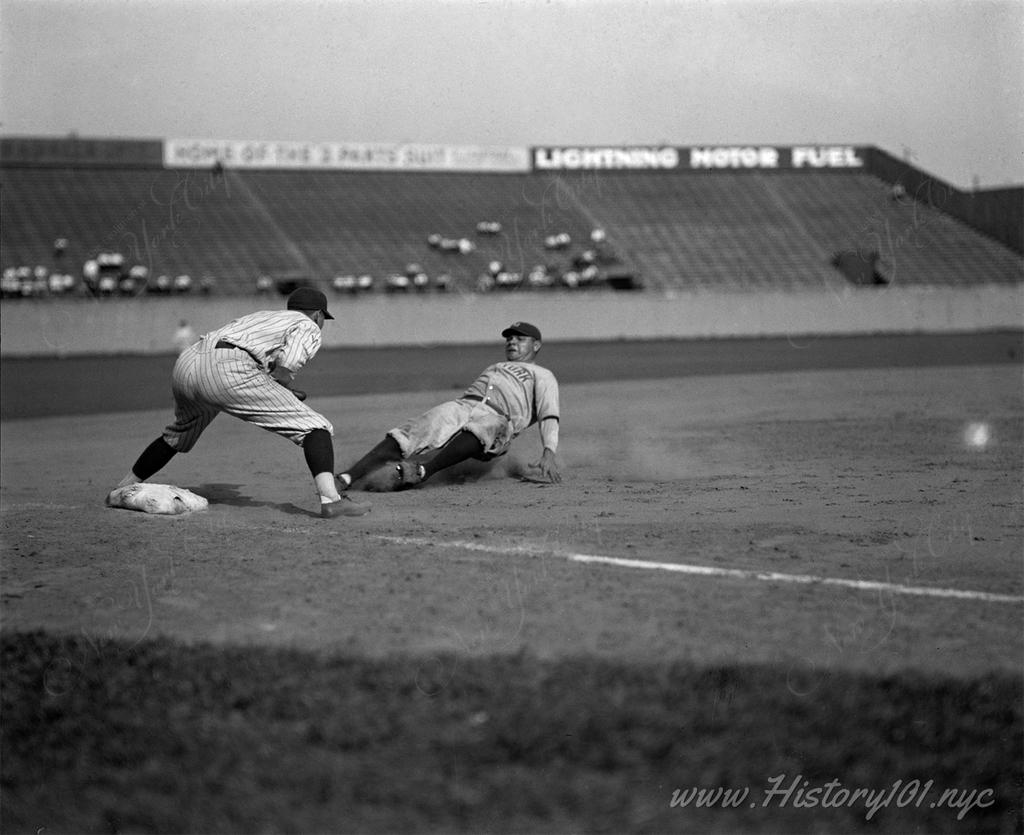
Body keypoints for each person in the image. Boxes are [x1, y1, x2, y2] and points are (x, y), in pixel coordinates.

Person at [110, 288, 370, 519]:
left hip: (189, 362)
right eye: (323, 318)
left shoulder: (264, 317)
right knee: (316, 427)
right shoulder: (308, 324)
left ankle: (123, 487)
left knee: (178, 434)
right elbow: (288, 363)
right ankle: (331, 501)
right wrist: (284, 385)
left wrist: (278, 385)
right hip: (228, 369)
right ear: (317, 315)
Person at [337, 321, 560, 490]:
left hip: (500, 420)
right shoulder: (495, 366)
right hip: (464, 405)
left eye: (520, 339)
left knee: (485, 427)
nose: (512, 342)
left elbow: (549, 414)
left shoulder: (543, 375)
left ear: (537, 345)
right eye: (509, 338)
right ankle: (348, 477)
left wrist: (549, 451)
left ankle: (424, 471)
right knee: (414, 429)